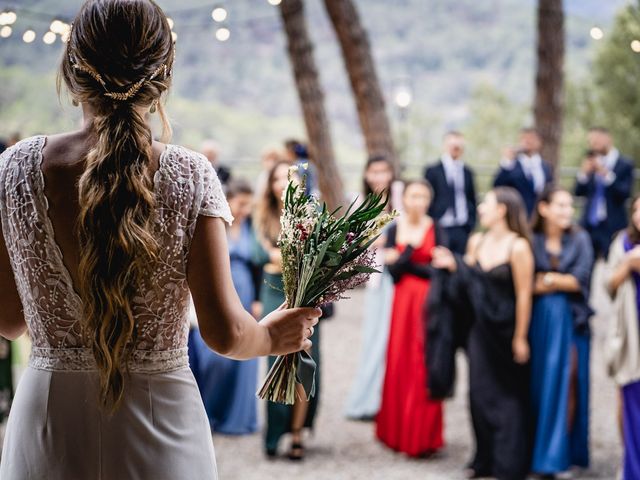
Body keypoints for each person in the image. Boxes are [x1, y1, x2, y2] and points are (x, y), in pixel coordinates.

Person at [0, 2, 321, 478]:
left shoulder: (15, 169)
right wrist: (273, 335)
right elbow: (227, 334)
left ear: (71, 72)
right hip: (161, 422)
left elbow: (8, 321)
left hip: (49, 422)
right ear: (162, 77)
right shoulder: (189, 175)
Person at [432, 187, 534, 480]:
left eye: (486, 204)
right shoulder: (477, 241)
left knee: (509, 396)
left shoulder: (518, 246)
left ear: (502, 209)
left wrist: (521, 337)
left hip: (508, 329)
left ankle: (509, 462)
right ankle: (483, 458)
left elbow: (525, 295)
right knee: (478, 393)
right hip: (479, 328)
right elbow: (469, 283)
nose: (480, 209)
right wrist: (453, 266)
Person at [254, 160, 321, 460]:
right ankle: (274, 432)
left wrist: (282, 257)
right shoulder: (263, 216)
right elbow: (263, 256)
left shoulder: (312, 214)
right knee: (275, 361)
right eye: (278, 177)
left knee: (305, 361)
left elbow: (315, 257)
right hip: (273, 292)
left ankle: (297, 432)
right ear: (269, 184)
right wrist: (287, 257)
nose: (284, 182)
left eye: (291, 177)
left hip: (305, 294)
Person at [528, 186, 593, 477]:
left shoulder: (580, 239)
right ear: (544, 208)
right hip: (538, 322)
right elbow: (526, 282)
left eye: (570, 206)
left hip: (573, 322)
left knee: (569, 384)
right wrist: (556, 281)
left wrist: (549, 279)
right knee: (538, 385)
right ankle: (535, 451)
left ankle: (562, 455)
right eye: (561, 205)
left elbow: (579, 280)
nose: (567, 211)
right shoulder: (532, 240)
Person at [376, 180, 444, 457]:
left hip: (429, 301)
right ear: (404, 198)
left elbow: (440, 271)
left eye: (424, 196)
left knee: (424, 360)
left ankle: (423, 436)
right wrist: (410, 256)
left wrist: (404, 259)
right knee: (399, 358)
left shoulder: (437, 228)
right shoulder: (394, 228)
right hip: (402, 303)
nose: (419, 201)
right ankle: (396, 432)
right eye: (414, 195)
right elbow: (392, 273)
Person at [188, 179, 262, 435]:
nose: (245, 210)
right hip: (219, 290)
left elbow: (259, 264)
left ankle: (237, 418)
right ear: (228, 200)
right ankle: (207, 414)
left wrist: (258, 299)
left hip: (246, 293)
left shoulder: (253, 227)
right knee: (213, 357)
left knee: (245, 354)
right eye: (241, 204)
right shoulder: (214, 223)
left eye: (249, 205)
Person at [344, 155, 396, 420]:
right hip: (378, 275)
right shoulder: (363, 206)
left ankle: (391, 397)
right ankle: (369, 397)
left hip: (399, 273)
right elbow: (355, 243)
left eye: (383, 171)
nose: (378, 177)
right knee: (375, 336)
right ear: (366, 175)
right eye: (373, 171)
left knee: (395, 337)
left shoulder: (399, 202)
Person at [605, 195, 640, 480]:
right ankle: (632, 468)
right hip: (632, 335)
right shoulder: (622, 243)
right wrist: (628, 265)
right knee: (629, 401)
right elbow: (609, 285)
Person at [575, 127, 634, 260]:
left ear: (607, 139)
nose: (593, 145)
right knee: (586, 261)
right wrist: (583, 174)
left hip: (612, 224)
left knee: (612, 262)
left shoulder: (625, 164)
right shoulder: (590, 162)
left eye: (596, 141)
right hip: (589, 225)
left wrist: (605, 173)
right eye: (590, 142)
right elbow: (578, 193)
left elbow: (624, 193)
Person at [424, 131, 477, 254]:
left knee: (461, 264)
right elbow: (428, 198)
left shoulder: (467, 172)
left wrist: (471, 223)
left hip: (462, 226)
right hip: (440, 224)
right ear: (445, 146)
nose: (455, 148)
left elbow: (471, 198)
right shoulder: (432, 170)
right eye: (452, 145)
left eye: (458, 146)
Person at [493, 128, 553, 217]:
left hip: (539, 216)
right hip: (517, 215)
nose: (528, 142)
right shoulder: (511, 165)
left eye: (532, 138)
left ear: (540, 142)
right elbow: (497, 186)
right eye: (524, 138)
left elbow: (549, 190)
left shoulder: (546, 167)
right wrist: (506, 162)